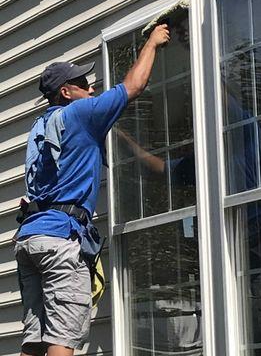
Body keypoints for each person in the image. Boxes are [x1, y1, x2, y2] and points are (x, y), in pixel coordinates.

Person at [14, 24, 170, 356]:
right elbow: (134, 85)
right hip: (60, 239)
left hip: (31, 238)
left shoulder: (41, 127)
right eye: (84, 84)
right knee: (63, 337)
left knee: (35, 339)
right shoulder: (82, 113)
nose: (92, 88)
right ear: (67, 92)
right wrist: (153, 42)